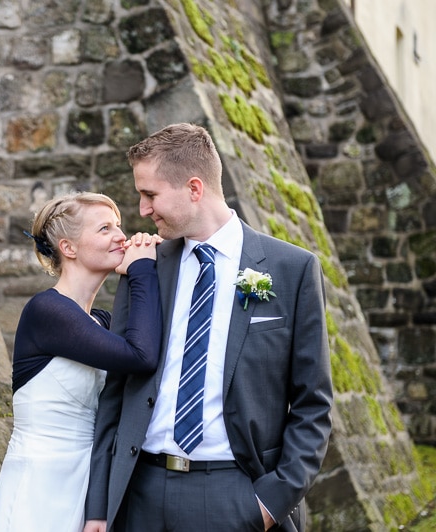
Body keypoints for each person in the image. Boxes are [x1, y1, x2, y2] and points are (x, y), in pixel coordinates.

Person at [84, 123, 333, 532]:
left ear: (194, 189)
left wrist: (269, 504)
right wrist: (99, 506)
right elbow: (116, 390)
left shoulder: (293, 269)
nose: (143, 210)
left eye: (150, 195)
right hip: (138, 492)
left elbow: (313, 403)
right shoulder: (144, 268)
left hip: (234, 495)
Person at [0, 192, 163, 532]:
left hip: (89, 481)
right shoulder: (47, 311)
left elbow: (148, 343)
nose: (121, 236)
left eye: (119, 227)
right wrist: (142, 270)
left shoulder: (101, 322)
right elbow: (140, 356)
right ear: (69, 248)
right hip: (41, 486)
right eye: (105, 229)